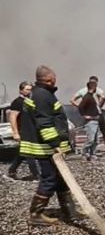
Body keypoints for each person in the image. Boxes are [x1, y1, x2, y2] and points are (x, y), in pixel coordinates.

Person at [20, 65, 80, 226]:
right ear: (49, 79)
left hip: (46, 146)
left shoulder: (41, 94)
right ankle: (36, 214)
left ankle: (70, 210)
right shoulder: (42, 96)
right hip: (44, 147)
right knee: (49, 179)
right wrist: (55, 143)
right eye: (54, 77)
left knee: (61, 178)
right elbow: (44, 123)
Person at [7, 81, 40, 181]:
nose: (29, 91)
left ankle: (11, 172)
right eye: (27, 89)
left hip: (31, 130)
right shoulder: (17, 102)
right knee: (29, 152)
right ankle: (36, 175)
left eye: (30, 89)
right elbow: (13, 117)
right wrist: (15, 132)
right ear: (21, 90)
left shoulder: (30, 101)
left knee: (22, 153)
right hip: (23, 131)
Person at [72, 76, 105, 152]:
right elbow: (103, 98)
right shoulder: (92, 91)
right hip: (93, 114)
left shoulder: (94, 90)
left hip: (93, 114)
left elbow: (72, 100)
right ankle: (87, 151)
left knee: (97, 132)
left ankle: (98, 149)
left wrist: (81, 107)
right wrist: (99, 106)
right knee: (95, 132)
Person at [77, 80, 102, 161]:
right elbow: (80, 107)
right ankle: (84, 153)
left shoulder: (91, 97)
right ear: (93, 87)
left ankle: (92, 154)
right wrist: (85, 116)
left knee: (96, 140)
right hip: (91, 122)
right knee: (90, 139)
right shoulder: (87, 97)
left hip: (95, 120)